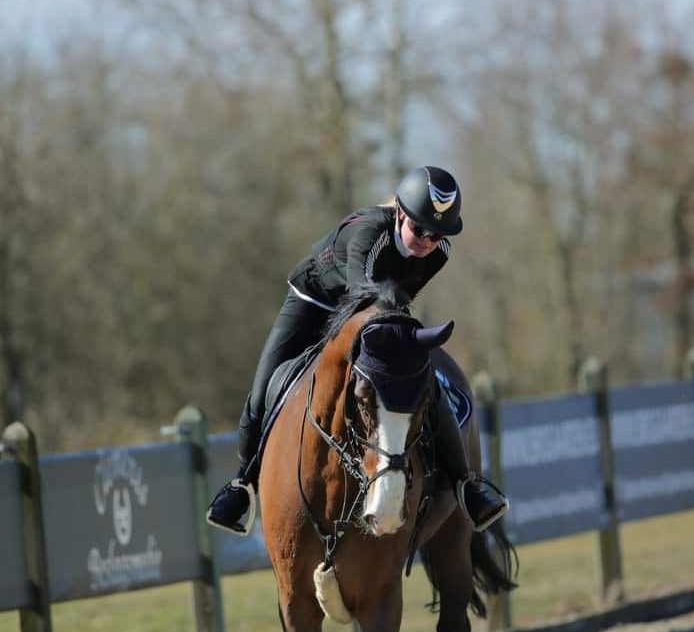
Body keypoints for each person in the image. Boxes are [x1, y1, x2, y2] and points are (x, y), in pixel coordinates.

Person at [206, 166, 509, 536]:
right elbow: (360, 303)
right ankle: (242, 485)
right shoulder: (367, 233)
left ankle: (466, 483)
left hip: (373, 310)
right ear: (400, 214)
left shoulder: (439, 251)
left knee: (421, 378)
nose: (428, 240)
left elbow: (399, 297)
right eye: (420, 229)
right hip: (316, 302)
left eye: (437, 233)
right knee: (263, 387)